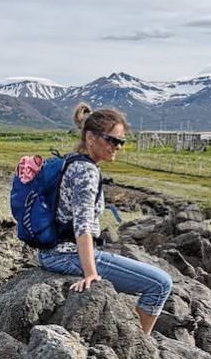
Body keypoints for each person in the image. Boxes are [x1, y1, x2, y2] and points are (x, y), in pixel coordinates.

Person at [38, 102, 173, 335]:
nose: (118, 147)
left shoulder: (72, 161)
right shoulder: (86, 171)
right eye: (112, 140)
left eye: (122, 142)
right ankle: (141, 347)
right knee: (161, 284)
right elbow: (82, 225)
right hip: (67, 254)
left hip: (52, 251)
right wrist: (91, 273)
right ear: (90, 137)